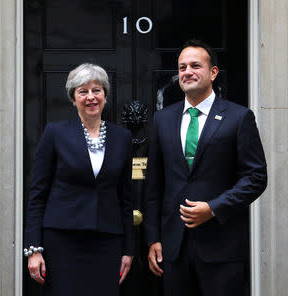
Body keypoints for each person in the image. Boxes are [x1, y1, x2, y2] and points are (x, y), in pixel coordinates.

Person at [144, 39, 267, 296]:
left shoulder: (239, 117)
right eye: (182, 67)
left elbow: (255, 177)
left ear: (213, 73)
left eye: (195, 65)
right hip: (173, 247)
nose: (187, 72)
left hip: (222, 246)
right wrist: (153, 238)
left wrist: (213, 208)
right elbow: (154, 185)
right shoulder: (162, 119)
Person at [24, 63, 134, 296]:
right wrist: (33, 249)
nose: (91, 97)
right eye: (82, 91)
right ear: (73, 99)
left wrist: (128, 249)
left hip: (107, 241)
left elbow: (126, 197)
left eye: (97, 90)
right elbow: (37, 194)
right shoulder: (55, 133)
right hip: (62, 242)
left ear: (105, 95)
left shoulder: (122, 137)